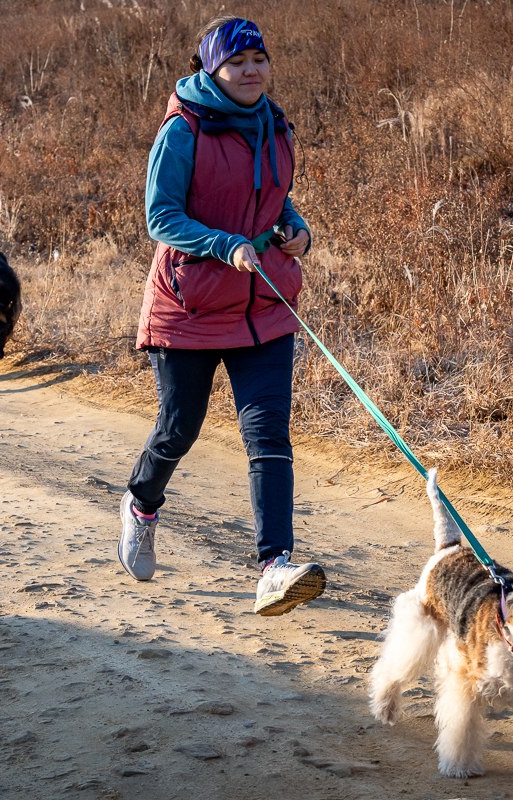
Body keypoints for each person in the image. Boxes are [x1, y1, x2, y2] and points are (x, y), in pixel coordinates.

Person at [118, 17, 325, 617]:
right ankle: (141, 504)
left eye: (260, 58)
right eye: (239, 62)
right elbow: (162, 218)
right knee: (180, 428)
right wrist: (222, 243)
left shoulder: (274, 122)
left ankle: (275, 567)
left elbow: (274, 194)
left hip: (263, 300)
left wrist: (297, 229)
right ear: (213, 70)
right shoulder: (184, 128)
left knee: (268, 436)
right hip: (191, 305)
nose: (253, 70)